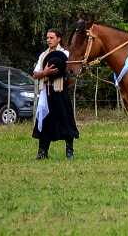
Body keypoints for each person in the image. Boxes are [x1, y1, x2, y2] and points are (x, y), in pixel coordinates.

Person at [31, 29, 78, 160]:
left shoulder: (66, 54)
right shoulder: (43, 55)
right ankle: (42, 152)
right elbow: (35, 74)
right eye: (47, 38)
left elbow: (72, 73)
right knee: (45, 121)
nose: (48, 40)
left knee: (66, 120)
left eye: (51, 37)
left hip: (60, 91)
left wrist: (65, 77)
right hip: (46, 92)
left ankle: (69, 151)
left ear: (59, 39)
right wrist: (44, 73)